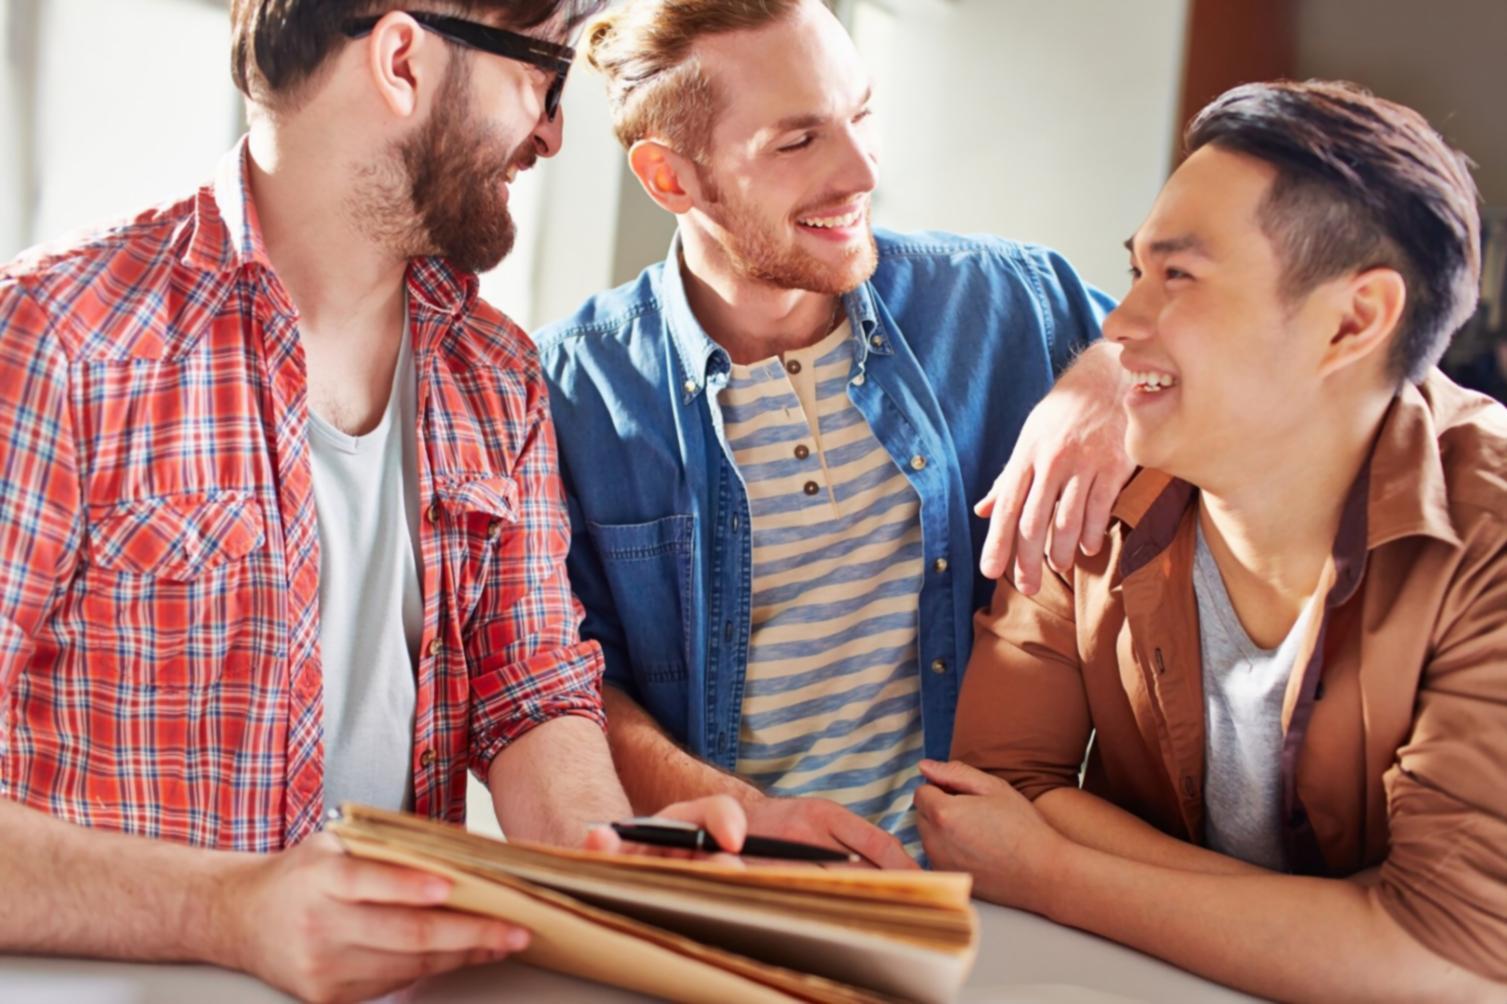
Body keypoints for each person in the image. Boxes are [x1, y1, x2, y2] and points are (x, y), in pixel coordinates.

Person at [0, 4, 740, 1001]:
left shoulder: (497, 375)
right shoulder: (54, 339)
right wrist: (226, 910)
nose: (553, 133)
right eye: (545, 77)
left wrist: (608, 860)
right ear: (400, 60)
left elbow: (530, 694)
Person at [920, 80, 1507, 998]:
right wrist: (1343, 924)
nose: (1117, 326)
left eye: (1179, 278)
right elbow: (993, 797)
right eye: (1135, 271)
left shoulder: (1487, 538)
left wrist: (1052, 874)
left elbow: (1448, 956)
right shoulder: (1095, 478)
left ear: (1352, 321)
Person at [535, 0, 1131, 866]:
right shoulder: (565, 392)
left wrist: (1110, 377)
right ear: (670, 179)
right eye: (797, 141)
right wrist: (752, 820)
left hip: (1001, 891)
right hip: (750, 890)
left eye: (861, 114)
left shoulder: (1008, 301)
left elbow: (1194, 356)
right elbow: (571, 685)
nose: (860, 171)